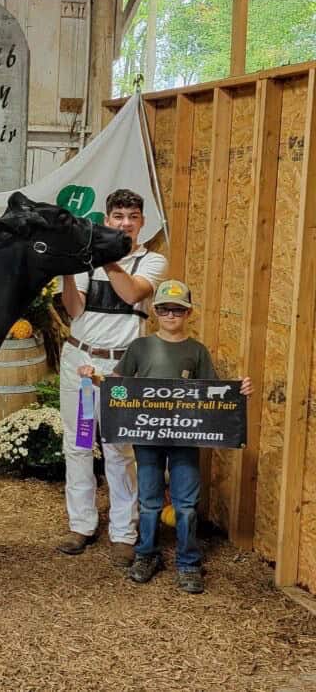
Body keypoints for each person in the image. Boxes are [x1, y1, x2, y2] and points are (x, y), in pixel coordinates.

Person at [78, 279, 253, 593]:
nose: (171, 314)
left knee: (186, 504)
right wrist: (95, 379)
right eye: (164, 308)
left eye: (178, 309)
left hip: (185, 438)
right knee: (148, 501)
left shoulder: (196, 351)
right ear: (155, 311)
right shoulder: (140, 347)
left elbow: (212, 393)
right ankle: (147, 554)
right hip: (147, 437)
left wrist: (238, 392)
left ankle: (188, 562)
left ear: (188, 313)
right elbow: (119, 386)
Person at [57, 189, 168, 566]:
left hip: (121, 367)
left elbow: (132, 292)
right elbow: (74, 310)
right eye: (117, 216)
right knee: (80, 442)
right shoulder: (84, 264)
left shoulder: (152, 261)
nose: (124, 223)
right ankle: (82, 525)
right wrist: (68, 275)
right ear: (107, 220)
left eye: (132, 217)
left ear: (142, 223)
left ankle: (124, 532)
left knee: (119, 448)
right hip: (82, 363)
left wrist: (106, 258)